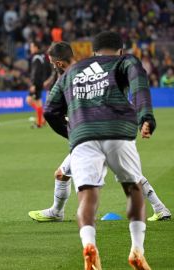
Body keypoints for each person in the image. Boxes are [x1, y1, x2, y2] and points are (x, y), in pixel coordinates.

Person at [44, 32, 155, 270]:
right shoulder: (125, 62)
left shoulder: (71, 72)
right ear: (121, 51)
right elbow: (139, 85)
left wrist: (72, 134)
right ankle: (137, 249)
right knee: (132, 188)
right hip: (118, 131)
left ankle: (89, 244)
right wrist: (145, 116)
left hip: (83, 136)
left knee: (87, 194)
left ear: (93, 52)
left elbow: (50, 110)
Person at [29, 42, 171, 223]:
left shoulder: (70, 77)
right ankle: (160, 208)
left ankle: (58, 213)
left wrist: (73, 129)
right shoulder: (90, 69)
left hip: (91, 135)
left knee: (87, 178)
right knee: (128, 173)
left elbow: (53, 110)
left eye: (51, 62)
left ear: (58, 63)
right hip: (111, 130)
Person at [26, 41, 51, 128]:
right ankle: (41, 120)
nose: (31, 48)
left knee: (30, 100)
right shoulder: (43, 56)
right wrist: (46, 79)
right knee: (38, 102)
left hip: (36, 82)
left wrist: (33, 84)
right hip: (41, 81)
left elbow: (35, 72)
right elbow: (48, 68)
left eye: (32, 47)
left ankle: (40, 121)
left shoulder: (36, 57)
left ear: (36, 47)